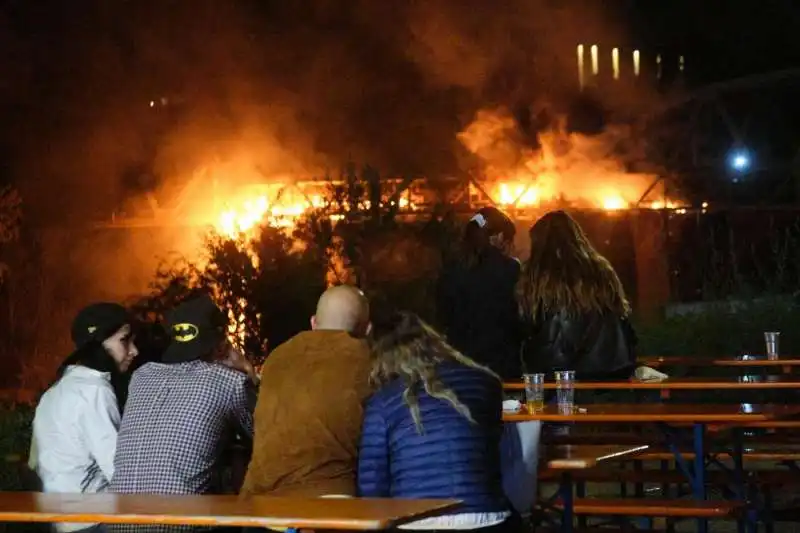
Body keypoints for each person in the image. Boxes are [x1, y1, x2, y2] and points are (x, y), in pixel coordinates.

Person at [108, 293, 256, 533]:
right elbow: (263, 434)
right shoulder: (229, 382)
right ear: (220, 345)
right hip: (176, 527)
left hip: (117, 523)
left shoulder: (142, 376)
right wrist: (247, 370)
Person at [358, 311, 516, 533]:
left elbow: (372, 484)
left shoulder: (382, 401)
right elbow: (500, 453)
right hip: (487, 516)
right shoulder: (484, 383)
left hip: (413, 521)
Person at [240, 285, 372, 498]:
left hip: (261, 500)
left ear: (313, 323)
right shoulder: (368, 360)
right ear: (368, 329)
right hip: (331, 499)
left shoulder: (277, 357)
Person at [30, 302, 138, 533]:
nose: (134, 350)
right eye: (125, 340)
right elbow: (119, 471)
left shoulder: (57, 389)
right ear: (98, 344)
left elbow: (36, 462)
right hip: (93, 520)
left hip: (61, 519)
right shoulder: (95, 390)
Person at [517, 210, 637, 384]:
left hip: (557, 375)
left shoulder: (537, 275)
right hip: (609, 370)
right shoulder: (601, 269)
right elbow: (620, 313)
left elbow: (525, 323)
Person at [436, 206, 522, 381]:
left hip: (461, 360)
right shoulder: (510, 269)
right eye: (508, 240)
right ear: (497, 236)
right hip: (501, 362)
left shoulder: (451, 269)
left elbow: (444, 314)